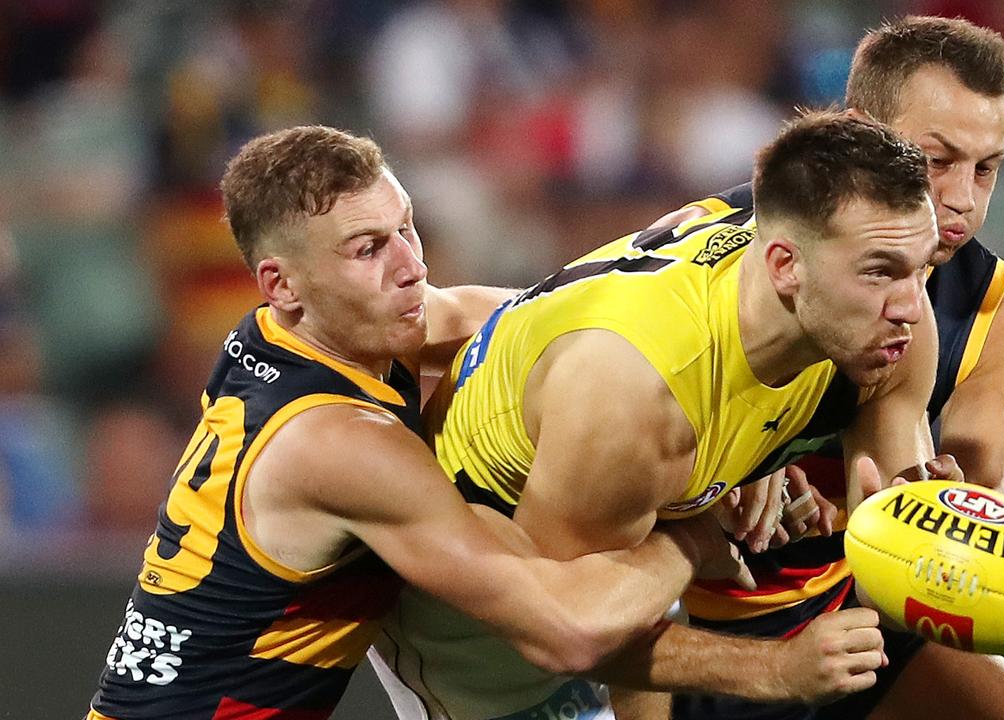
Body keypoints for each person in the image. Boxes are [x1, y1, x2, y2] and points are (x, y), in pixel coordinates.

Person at [84, 125, 742, 720]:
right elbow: (565, 629)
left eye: (407, 228)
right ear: (280, 284)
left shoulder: (318, 326)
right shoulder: (336, 443)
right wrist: (694, 531)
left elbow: (560, 328)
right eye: (369, 249)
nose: (411, 267)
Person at [372, 110, 945, 719]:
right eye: (881, 271)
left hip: (625, 562)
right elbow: (562, 630)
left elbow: (895, 557)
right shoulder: (632, 393)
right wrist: (768, 656)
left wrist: (930, 545)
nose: (912, 305)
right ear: (784, 266)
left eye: (924, 265)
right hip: (482, 638)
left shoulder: (871, 326)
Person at [639, 15, 1004, 720]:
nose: (962, 198)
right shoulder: (725, 253)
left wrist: (935, 520)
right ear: (863, 133)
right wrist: (720, 469)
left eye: (986, 167)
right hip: (691, 627)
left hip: (866, 631)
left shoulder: (1002, 321)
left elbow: (961, 568)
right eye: (938, 159)